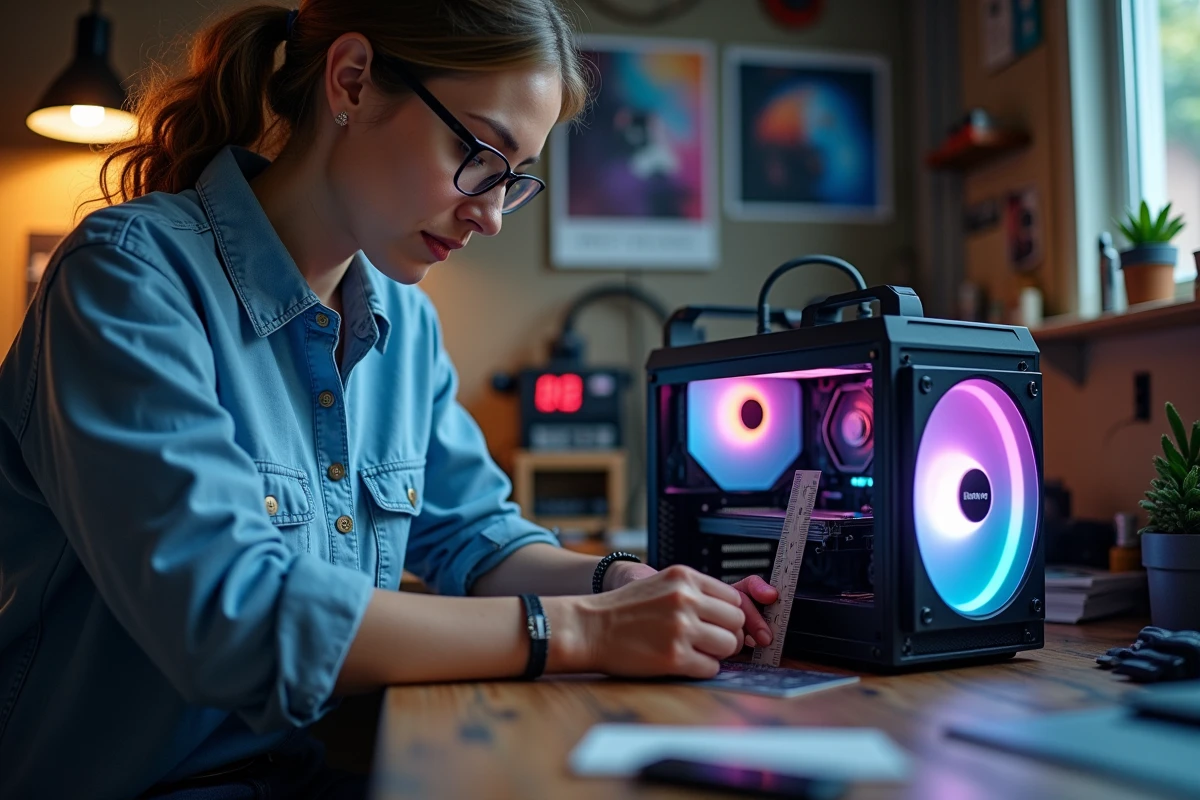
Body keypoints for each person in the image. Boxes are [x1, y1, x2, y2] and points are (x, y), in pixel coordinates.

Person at [0, 1, 779, 797]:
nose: (490, 214)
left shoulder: (404, 323)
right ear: (353, 81)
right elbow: (231, 618)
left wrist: (624, 586)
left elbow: (477, 540)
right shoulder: (127, 279)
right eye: (479, 153)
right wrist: (582, 631)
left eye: (515, 182)